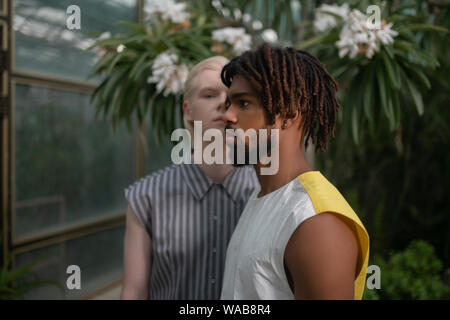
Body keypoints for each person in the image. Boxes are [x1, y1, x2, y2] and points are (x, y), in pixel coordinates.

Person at [220, 44, 370, 300]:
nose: (227, 116)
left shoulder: (316, 221)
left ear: (288, 112)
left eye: (243, 103)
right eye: (228, 104)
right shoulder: (262, 196)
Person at [120, 56, 259, 300]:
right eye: (209, 94)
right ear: (188, 110)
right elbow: (134, 291)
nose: (223, 104)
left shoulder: (265, 193)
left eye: (233, 98)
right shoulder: (146, 197)